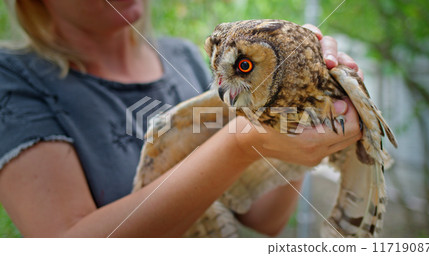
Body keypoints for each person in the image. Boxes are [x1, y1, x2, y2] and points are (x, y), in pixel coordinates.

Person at [0, 0, 363, 237]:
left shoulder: (185, 57)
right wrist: (239, 144)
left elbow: (263, 219)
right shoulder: (13, 79)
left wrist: (298, 93)